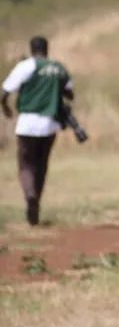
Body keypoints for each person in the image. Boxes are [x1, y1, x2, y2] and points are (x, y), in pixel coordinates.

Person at [1, 36, 73, 226]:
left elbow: (5, 92)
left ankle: (30, 195)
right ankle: (36, 204)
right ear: (47, 49)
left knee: (25, 163)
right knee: (41, 164)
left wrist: (6, 108)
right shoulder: (58, 68)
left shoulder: (26, 66)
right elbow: (70, 94)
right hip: (50, 123)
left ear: (32, 49)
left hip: (27, 123)